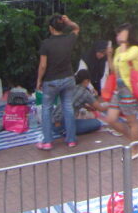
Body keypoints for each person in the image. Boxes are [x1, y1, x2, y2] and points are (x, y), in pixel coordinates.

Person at [36, 14, 81, 151]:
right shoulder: (69, 39)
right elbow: (77, 28)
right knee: (68, 107)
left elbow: (43, 66)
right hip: (68, 78)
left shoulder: (46, 44)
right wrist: (69, 22)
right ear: (62, 26)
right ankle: (71, 140)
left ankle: (47, 141)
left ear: (50, 28)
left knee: (47, 109)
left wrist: (38, 81)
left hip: (51, 81)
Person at [105, 23, 138, 158]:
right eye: (118, 33)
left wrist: (122, 45)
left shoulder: (135, 49)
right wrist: (109, 56)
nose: (118, 35)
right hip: (118, 89)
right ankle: (134, 141)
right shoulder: (118, 50)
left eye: (121, 33)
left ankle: (135, 149)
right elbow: (114, 69)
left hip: (129, 89)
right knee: (110, 119)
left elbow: (124, 58)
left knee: (131, 121)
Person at [50, 70, 109, 139]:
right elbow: (101, 108)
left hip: (52, 121)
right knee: (96, 123)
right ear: (86, 81)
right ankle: (66, 131)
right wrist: (114, 105)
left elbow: (72, 101)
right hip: (63, 124)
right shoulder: (85, 92)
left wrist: (86, 107)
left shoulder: (68, 87)